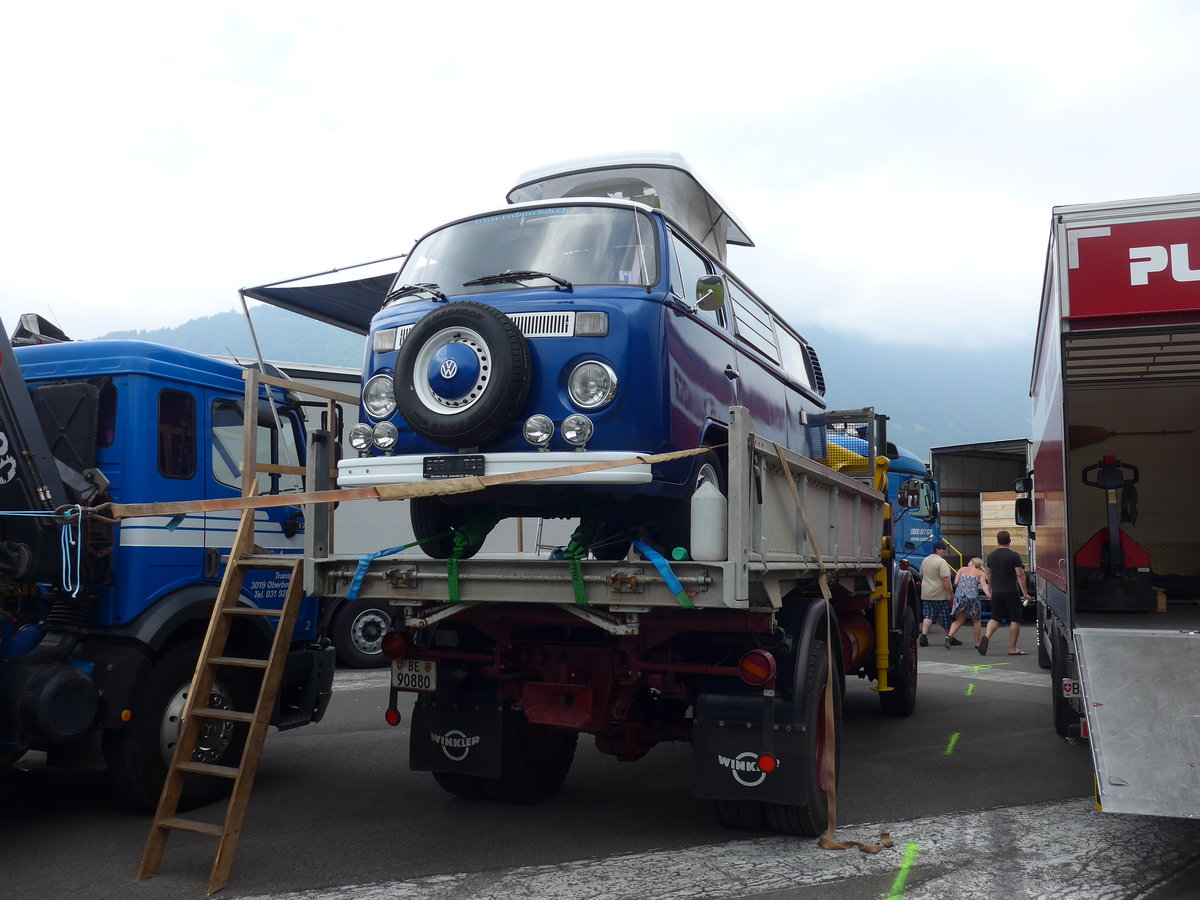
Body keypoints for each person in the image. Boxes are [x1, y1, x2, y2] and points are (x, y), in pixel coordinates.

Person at [980, 530, 1031, 656]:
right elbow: (1020, 574)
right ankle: (1012, 648)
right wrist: (1025, 593)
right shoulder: (1014, 556)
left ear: (997, 541)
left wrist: (991, 588)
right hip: (1011, 591)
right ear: (1010, 540)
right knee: (1015, 618)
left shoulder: (991, 556)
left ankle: (986, 636)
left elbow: (989, 574)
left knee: (995, 618)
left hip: (996, 591)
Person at [918, 541, 959, 646]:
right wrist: (950, 593)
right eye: (943, 548)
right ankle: (949, 636)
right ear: (937, 550)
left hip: (926, 593)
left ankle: (924, 636)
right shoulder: (941, 562)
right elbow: (945, 578)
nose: (945, 551)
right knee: (945, 616)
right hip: (940, 594)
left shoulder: (925, 560)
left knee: (928, 615)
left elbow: (921, 575)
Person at [946, 557, 989, 649]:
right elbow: (984, 585)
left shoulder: (962, 569)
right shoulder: (980, 573)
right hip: (972, 596)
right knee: (976, 620)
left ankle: (949, 635)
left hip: (960, 595)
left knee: (959, 619)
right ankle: (977, 643)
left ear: (973, 563)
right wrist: (989, 594)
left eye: (970, 561)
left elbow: (956, 582)